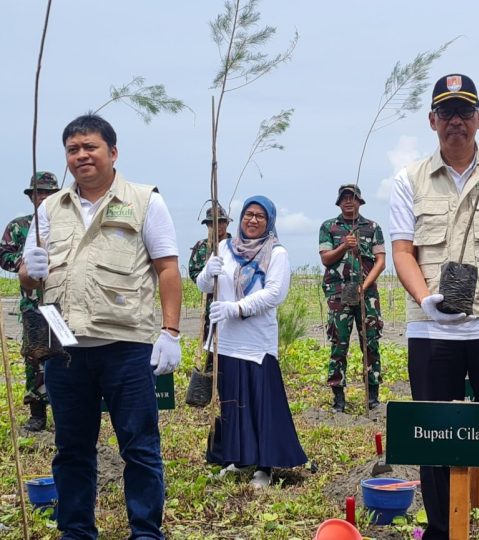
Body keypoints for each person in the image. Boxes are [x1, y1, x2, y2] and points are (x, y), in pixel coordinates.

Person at [19, 114, 181, 539]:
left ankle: (146, 532)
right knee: (71, 451)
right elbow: (28, 276)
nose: (81, 155)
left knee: (140, 448)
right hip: (65, 351)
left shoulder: (145, 200)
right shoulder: (49, 208)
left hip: (126, 347)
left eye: (90, 146)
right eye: (73, 149)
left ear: (112, 151)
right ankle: (76, 532)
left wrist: (170, 332)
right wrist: (27, 270)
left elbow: (166, 269)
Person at [390, 73, 479, 540]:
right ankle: (440, 529)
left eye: (464, 112)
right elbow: (402, 251)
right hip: (432, 331)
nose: (456, 121)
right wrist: (423, 299)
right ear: (433, 121)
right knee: (432, 436)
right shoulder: (407, 179)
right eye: (446, 112)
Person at [199, 195, 307, 488]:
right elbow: (205, 285)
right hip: (226, 341)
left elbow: (275, 293)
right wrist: (208, 273)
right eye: (249, 214)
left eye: (260, 215)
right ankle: (239, 459)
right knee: (232, 404)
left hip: (256, 344)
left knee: (261, 403)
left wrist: (236, 308)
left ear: (269, 221)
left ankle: (264, 466)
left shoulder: (277, 253)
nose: (253, 220)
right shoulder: (224, 247)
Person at [318, 184, 386, 412]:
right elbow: (326, 259)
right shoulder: (329, 227)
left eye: (353, 197)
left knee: (371, 342)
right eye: (345, 198)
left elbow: (380, 261)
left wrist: (364, 288)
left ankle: (373, 396)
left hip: (367, 295)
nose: (349, 201)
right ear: (339, 202)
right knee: (339, 342)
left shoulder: (373, 227)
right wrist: (344, 246)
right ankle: (338, 398)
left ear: (360, 201)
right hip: (339, 293)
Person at [0, 172, 59, 431]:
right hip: (33, 305)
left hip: (63, 304)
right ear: (32, 196)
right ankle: (37, 413)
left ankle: (67, 412)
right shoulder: (18, 226)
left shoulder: (68, 224)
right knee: (34, 358)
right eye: (39, 193)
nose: (44, 197)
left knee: (66, 357)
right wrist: (25, 264)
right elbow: (4, 255)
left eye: (49, 192)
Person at [188, 203, 231, 372]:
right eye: (212, 223)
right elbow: (194, 273)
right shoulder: (202, 247)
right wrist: (208, 275)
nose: (217, 226)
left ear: (227, 223)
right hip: (210, 305)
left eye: (221, 222)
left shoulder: (236, 245)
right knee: (210, 347)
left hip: (231, 304)